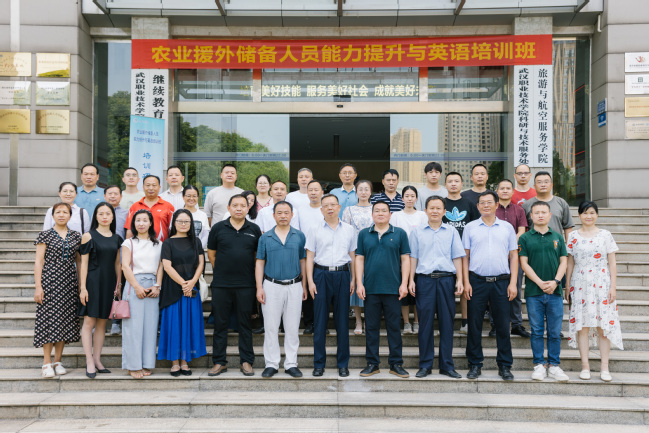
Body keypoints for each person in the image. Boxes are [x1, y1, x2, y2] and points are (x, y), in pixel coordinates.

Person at [463, 191, 518, 381]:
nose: (486, 205)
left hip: (501, 282)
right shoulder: (470, 227)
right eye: (482, 203)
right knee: (474, 325)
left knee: (502, 325)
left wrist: (513, 283)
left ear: (496, 205)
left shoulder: (507, 227)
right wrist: (466, 282)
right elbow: (465, 257)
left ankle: (504, 365)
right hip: (476, 281)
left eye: (489, 202)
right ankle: (474, 364)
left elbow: (514, 256)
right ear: (477, 206)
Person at [409, 196, 465, 379]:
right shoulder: (417, 232)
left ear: (444, 212)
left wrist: (460, 280)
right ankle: (425, 365)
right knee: (425, 324)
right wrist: (411, 280)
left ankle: (446, 365)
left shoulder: (451, 231)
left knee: (447, 323)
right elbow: (413, 257)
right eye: (431, 208)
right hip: (424, 281)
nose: (434, 211)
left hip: (446, 280)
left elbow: (457, 256)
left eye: (438, 208)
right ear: (425, 211)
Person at [566, 201, 623, 382]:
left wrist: (613, 286)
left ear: (597, 215)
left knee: (603, 326)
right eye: (584, 213)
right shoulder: (573, 236)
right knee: (582, 326)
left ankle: (605, 368)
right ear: (579, 215)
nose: (588, 216)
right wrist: (567, 285)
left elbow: (612, 263)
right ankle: (585, 366)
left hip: (602, 284)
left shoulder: (605, 235)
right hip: (580, 284)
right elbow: (570, 262)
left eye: (591, 212)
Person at [208, 194, 262, 377]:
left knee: (245, 324)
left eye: (243, 205)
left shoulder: (254, 229)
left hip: (246, 285)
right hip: (221, 284)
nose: (239, 208)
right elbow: (211, 254)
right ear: (229, 208)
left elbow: (257, 256)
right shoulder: (218, 228)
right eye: (235, 205)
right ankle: (219, 362)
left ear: (248, 208)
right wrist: (222, 270)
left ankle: (246, 361)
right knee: (220, 324)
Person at [356, 200, 411, 379]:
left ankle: (396, 364)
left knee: (394, 327)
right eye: (377, 211)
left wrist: (404, 283)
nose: (380, 213)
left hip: (393, 289)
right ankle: (372, 364)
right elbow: (359, 259)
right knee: (371, 328)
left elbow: (405, 259)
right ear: (372, 214)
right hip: (370, 288)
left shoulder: (400, 233)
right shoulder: (364, 234)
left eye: (384, 211)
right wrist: (359, 283)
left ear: (390, 214)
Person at [305, 194, 356, 377]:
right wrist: (310, 281)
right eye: (326, 205)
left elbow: (353, 256)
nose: (330, 208)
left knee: (342, 322)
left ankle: (343, 364)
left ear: (339, 207)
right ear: (321, 209)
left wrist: (353, 279)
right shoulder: (314, 229)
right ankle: (319, 364)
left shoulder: (349, 229)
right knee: (320, 321)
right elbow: (310, 257)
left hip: (342, 275)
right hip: (321, 275)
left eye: (333, 205)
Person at [519, 201, 569, 382]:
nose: (540, 215)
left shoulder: (557, 237)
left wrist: (556, 282)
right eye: (536, 212)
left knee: (555, 332)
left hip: (555, 292)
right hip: (534, 292)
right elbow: (524, 263)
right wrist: (540, 283)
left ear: (549, 215)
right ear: (531, 216)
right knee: (537, 330)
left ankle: (554, 365)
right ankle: (539, 364)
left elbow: (564, 261)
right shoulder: (525, 238)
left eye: (543, 212)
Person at [256, 201, 307, 378]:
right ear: (273, 215)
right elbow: (260, 262)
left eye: (286, 212)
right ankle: (271, 363)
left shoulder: (299, 235)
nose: (283, 216)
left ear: (292, 215)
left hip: (294, 285)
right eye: (279, 213)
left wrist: (304, 285)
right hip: (271, 285)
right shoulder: (265, 237)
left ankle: (291, 363)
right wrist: (259, 287)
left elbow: (303, 261)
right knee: (271, 327)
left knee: (292, 327)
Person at [33, 202, 82, 378]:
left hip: (69, 282)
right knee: (48, 321)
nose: (61, 215)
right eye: (58, 212)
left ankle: (58, 361)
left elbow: (79, 261)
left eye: (65, 212)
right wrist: (38, 286)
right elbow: (39, 261)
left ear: (70, 215)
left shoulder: (76, 236)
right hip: (49, 281)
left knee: (64, 320)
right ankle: (46, 362)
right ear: (52, 215)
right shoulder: (45, 235)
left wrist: (81, 285)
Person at [158, 209, 207, 376]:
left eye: (187, 221)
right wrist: (183, 284)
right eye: (180, 221)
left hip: (191, 289)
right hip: (173, 289)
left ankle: (185, 361)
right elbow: (167, 266)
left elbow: (201, 264)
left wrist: (191, 283)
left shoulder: (196, 242)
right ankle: (174, 362)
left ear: (191, 223)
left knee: (189, 325)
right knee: (174, 325)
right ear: (174, 223)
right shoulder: (168, 243)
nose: (183, 224)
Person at [78, 202, 122, 378]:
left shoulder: (117, 238)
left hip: (109, 283)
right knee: (89, 322)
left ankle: (97, 359)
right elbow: (83, 264)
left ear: (112, 217)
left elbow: (117, 263)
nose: (104, 217)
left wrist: (119, 285)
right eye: (101, 213)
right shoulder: (88, 236)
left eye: (108, 214)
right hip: (92, 282)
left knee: (103, 323)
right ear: (95, 216)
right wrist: (83, 288)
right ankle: (89, 360)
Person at [121, 209, 163, 379]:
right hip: (134, 284)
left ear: (151, 223)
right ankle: (133, 365)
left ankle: (146, 363)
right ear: (133, 223)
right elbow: (125, 266)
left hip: (153, 286)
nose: (141, 223)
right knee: (133, 327)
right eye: (138, 220)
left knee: (150, 327)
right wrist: (137, 287)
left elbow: (160, 266)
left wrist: (158, 285)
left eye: (145, 220)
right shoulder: (128, 243)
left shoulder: (158, 244)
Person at [442, 172, 480, 335]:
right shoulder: (441, 203)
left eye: (456, 181)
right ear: (445, 185)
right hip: (444, 252)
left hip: (465, 252)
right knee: (446, 289)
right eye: (450, 181)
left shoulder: (469, 204)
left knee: (464, 285)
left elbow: (476, 226)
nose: (453, 184)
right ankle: (445, 322)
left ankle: (465, 321)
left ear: (462, 184)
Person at [493, 179, 530, 338]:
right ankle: (496, 325)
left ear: (512, 191)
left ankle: (516, 324)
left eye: (508, 188)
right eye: (502, 188)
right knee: (496, 292)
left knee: (515, 289)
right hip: (495, 255)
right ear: (497, 191)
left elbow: (522, 231)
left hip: (514, 255)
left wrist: (509, 246)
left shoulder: (519, 210)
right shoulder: (492, 209)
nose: (505, 191)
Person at [390, 186, 427, 335]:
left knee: (417, 292)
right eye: (407, 196)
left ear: (416, 198)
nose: (410, 198)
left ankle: (417, 322)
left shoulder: (422, 215)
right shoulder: (396, 216)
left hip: (420, 258)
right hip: (401, 259)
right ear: (402, 198)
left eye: (412, 196)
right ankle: (406, 322)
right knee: (404, 292)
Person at [342, 180, 373, 335]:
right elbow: (345, 231)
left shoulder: (375, 208)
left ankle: (369, 320)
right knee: (356, 284)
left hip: (373, 251)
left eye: (366, 189)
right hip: (354, 250)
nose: (363, 192)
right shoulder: (349, 210)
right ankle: (358, 321)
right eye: (360, 189)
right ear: (356, 192)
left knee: (370, 286)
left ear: (370, 192)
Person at [297, 180, 325, 335]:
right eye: (310, 190)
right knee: (307, 287)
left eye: (316, 190)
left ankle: (322, 323)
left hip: (324, 255)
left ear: (322, 192)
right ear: (307, 192)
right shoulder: (300, 210)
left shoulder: (326, 209)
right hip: (305, 254)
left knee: (322, 291)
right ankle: (309, 322)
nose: (313, 193)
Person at [522, 172, 574, 242]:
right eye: (539, 182)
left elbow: (568, 227)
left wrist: (569, 246)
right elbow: (522, 230)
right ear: (534, 186)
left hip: (556, 246)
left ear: (551, 185)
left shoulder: (561, 203)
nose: (543, 185)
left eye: (546, 182)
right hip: (533, 246)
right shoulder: (526, 205)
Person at [124, 175, 175, 241]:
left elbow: (172, 229)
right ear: (143, 187)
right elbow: (129, 229)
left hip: (162, 245)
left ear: (159, 187)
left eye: (154, 185)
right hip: (139, 245)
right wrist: (129, 245)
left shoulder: (168, 206)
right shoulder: (135, 206)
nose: (151, 188)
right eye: (148, 185)